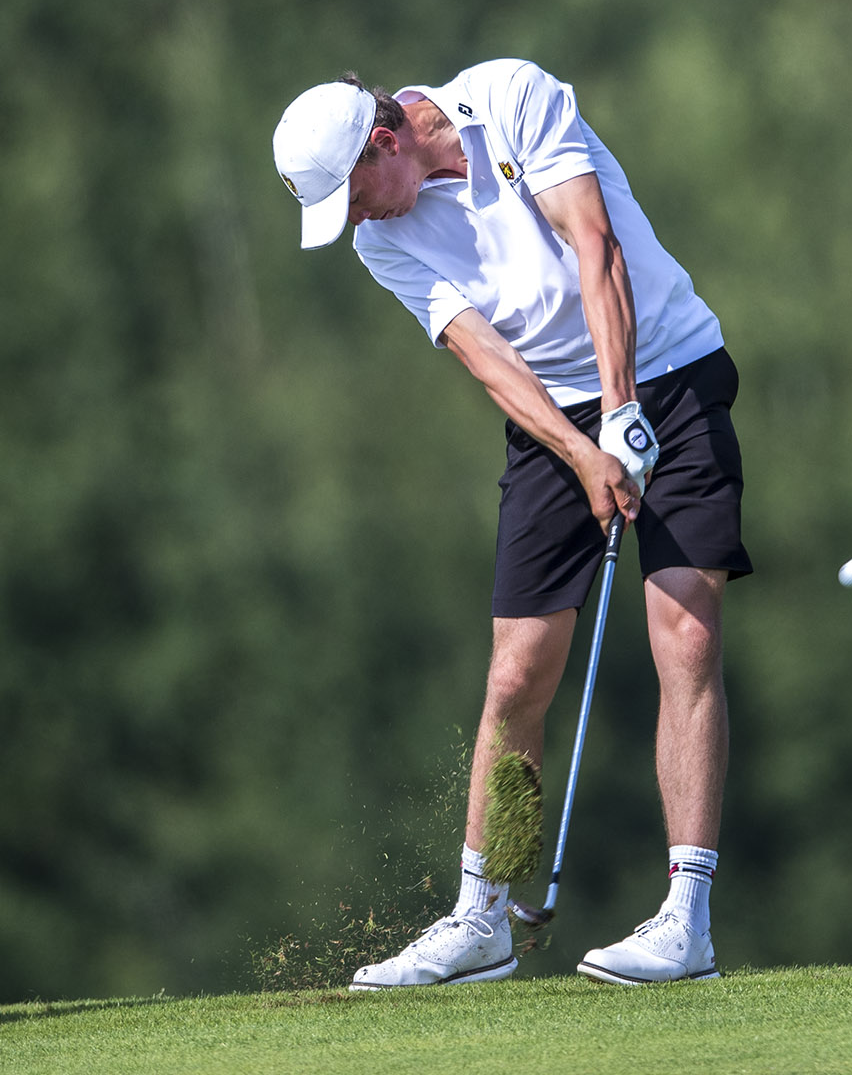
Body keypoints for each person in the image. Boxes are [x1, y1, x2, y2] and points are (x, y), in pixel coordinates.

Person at [272, 59, 750, 988]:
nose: (356, 219)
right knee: (517, 670)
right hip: (550, 419)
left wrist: (623, 411)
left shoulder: (510, 97)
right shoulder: (382, 244)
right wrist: (583, 452)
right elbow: (487, 358)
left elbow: (595, 246)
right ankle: (480, 917)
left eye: (354, 196)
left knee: (685, 630)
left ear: (385, 142)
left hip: (672, 371)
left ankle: (686, 922)